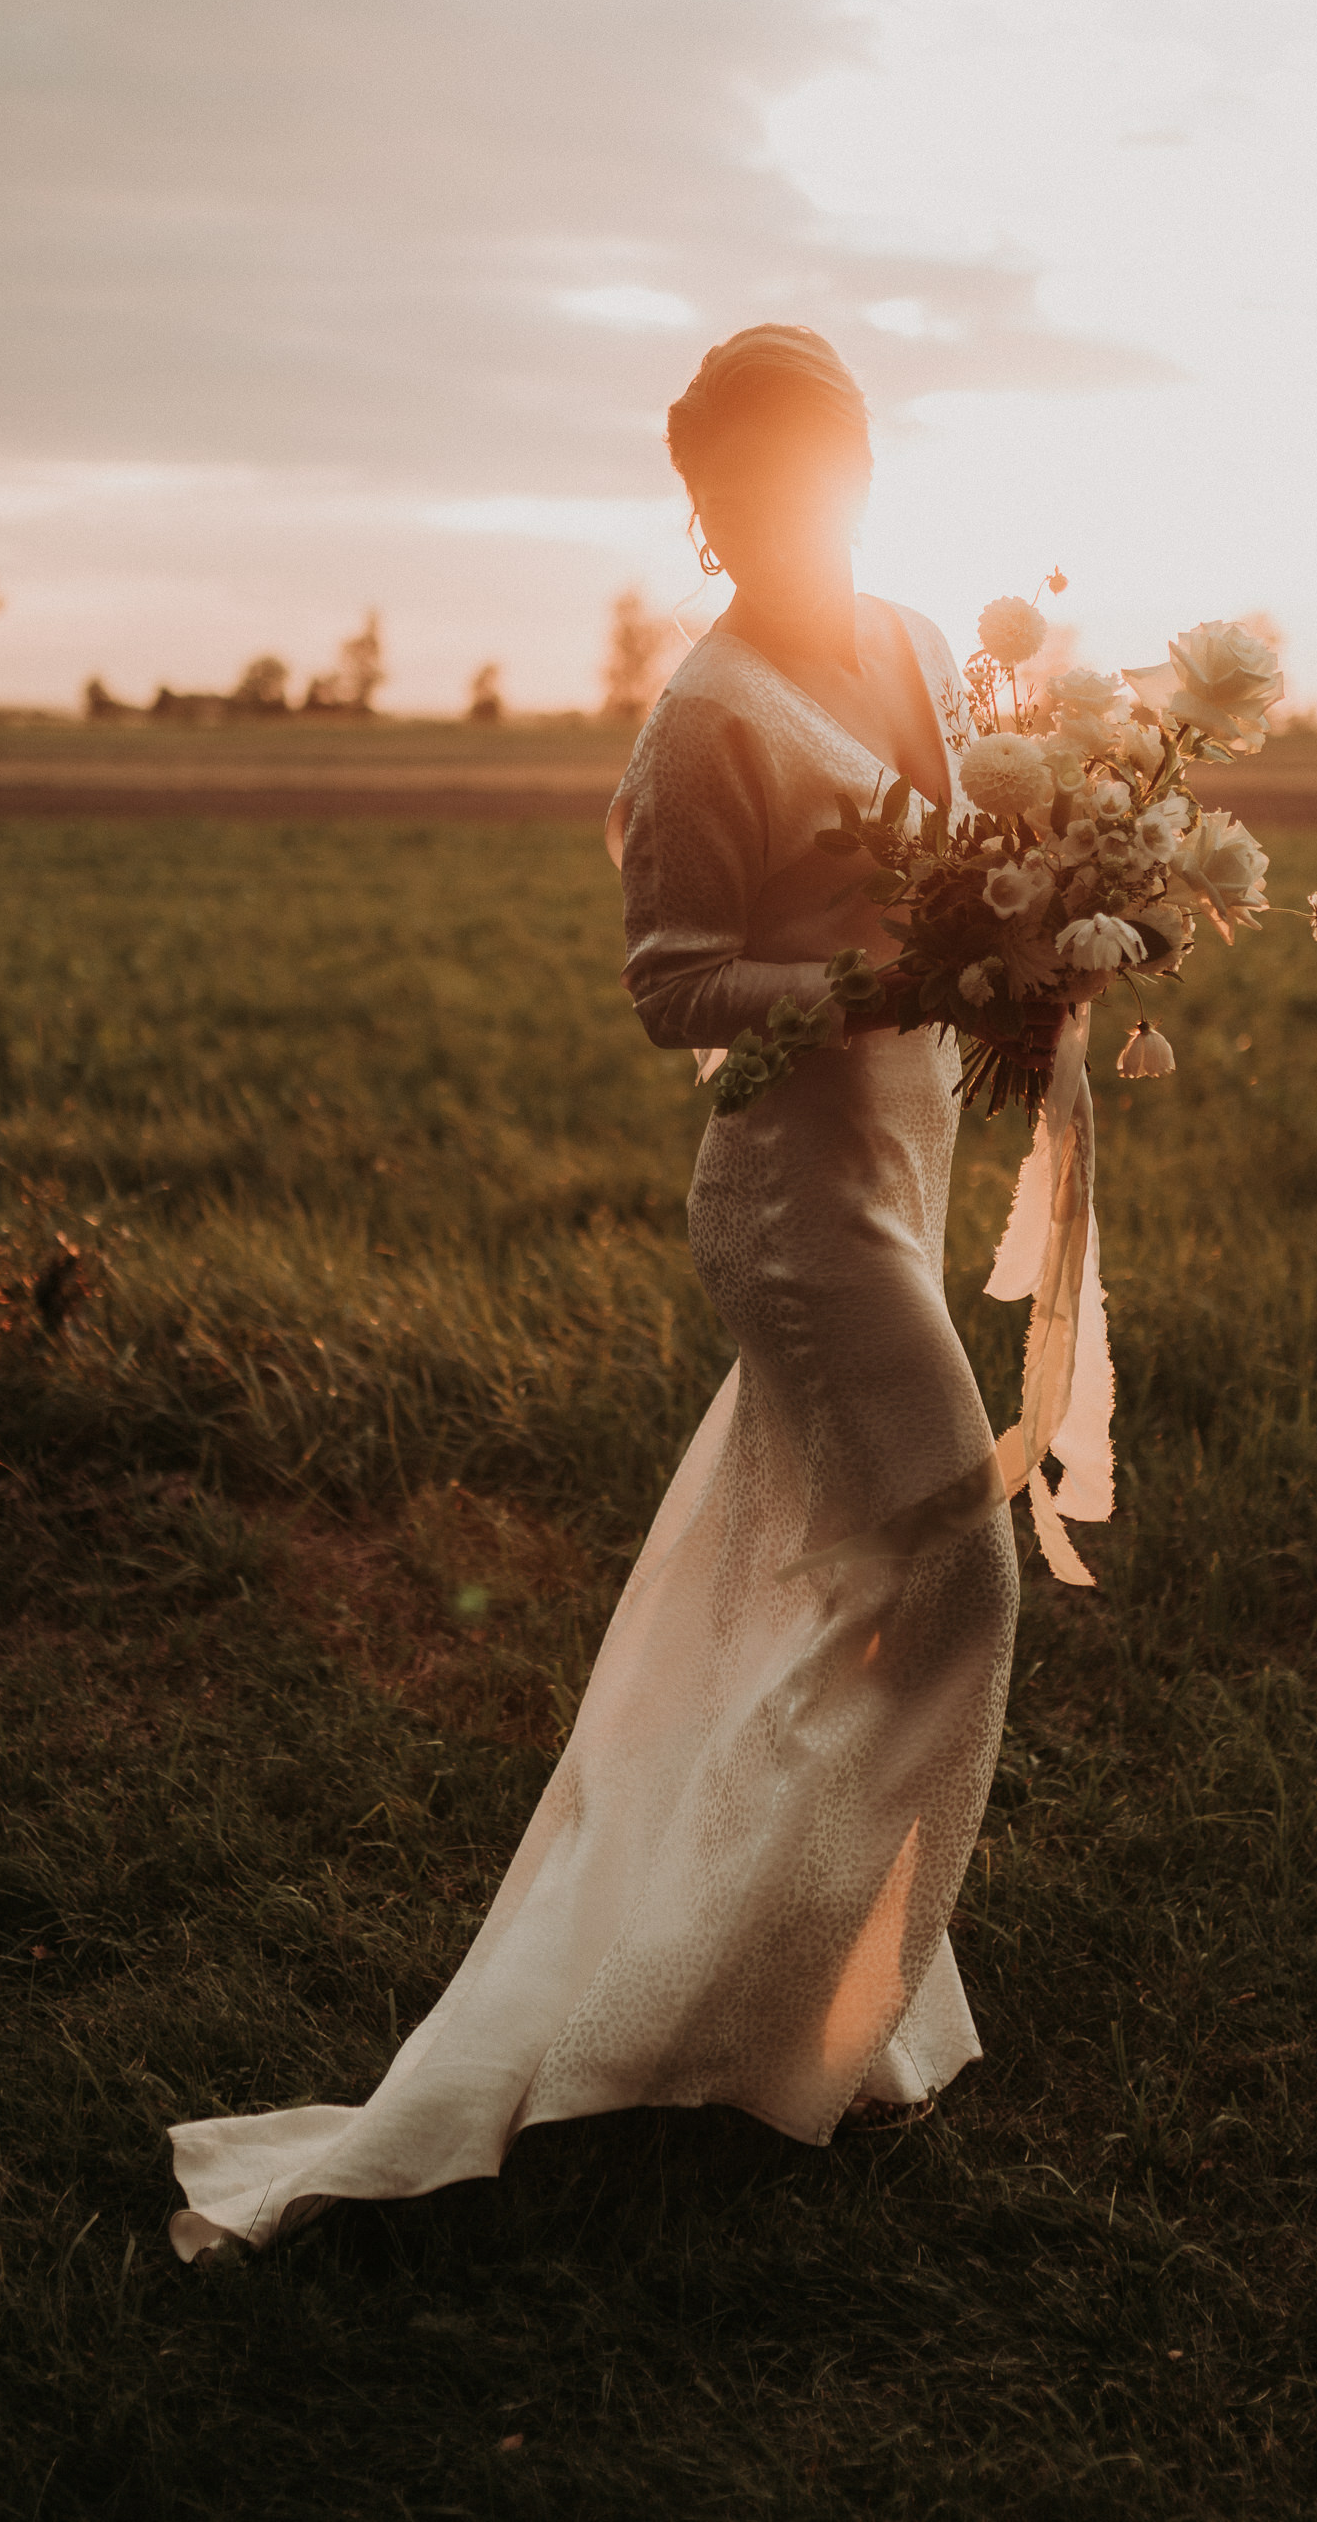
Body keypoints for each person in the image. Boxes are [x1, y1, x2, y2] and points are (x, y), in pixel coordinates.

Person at [165, 325, 1022, 2260]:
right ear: (711, 505)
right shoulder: (703, 717)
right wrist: (877, 994)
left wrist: (1033, 932)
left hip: (905, 1156)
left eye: (834, 466)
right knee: (950, 1565)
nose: (806, 505)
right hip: (799, 1207)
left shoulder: (899, 637)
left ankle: (797, 1989)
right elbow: (671, 989)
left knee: (839, 1586)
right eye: (762, 481)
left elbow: (957, 870)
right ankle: (745, 1983)